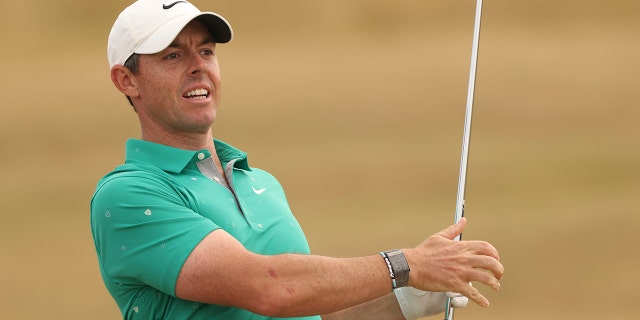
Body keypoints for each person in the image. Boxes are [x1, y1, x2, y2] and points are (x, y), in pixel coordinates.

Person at [90, 1, 504, 319]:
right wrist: (405, 265)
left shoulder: (261, 183)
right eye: (173, 56)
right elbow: (267, 288)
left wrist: (410, 297)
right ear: (126, 80)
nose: (199, 67)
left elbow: (307, 308)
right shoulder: (128, 194)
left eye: (207, 51)